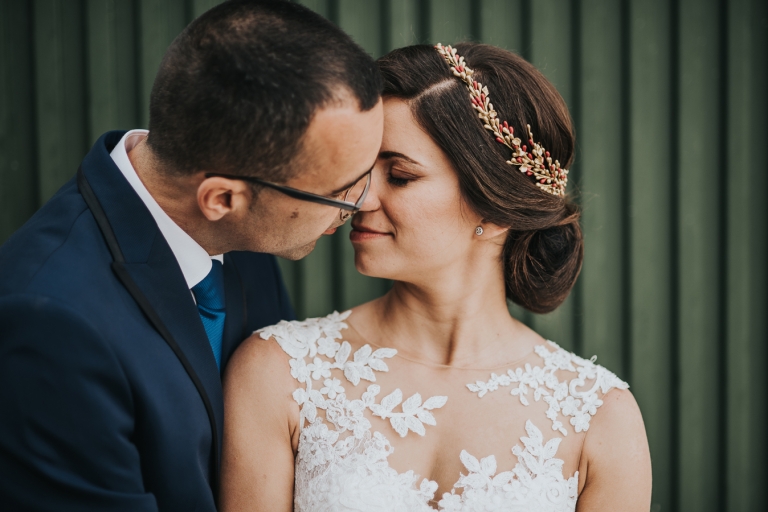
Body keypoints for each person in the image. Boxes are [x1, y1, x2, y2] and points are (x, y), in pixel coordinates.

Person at [221, 42, 652, 511]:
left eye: (400, 176)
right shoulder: (279, 372)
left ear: (496, 208)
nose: (359, 199)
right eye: (361, 173)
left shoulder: (600, 418)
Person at [0, 1, 382, 510]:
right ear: (222, 198)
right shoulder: (51, 326)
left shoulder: (249, 223)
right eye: (341, 191)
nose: (363, 203)